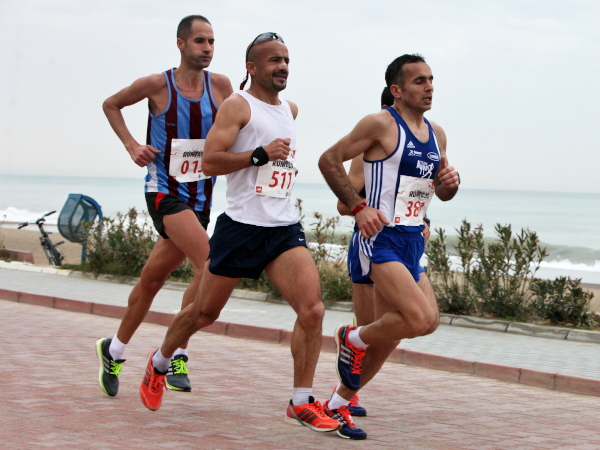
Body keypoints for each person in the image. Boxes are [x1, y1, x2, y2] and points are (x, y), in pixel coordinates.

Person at [137, 31, 353, 437]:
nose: (282, 67)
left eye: (286, 60)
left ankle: (301, 402)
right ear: (252, 67)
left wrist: (275, 163)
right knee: (203, 314)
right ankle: (160, 362)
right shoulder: (238, 105)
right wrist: (259, 155)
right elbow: (210, 161)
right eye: (274, 60)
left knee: (312, 311)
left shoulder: (289, 109)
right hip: (240, 228)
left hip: (282, 227)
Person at [95, 15, 233, 397]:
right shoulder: (157, 84)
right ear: (181, 44)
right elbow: (111, 104)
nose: (207, 48)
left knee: (153, 279)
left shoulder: (220, 86)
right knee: (209, 262)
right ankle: (176, 354)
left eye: (212, 41)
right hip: (163, 192)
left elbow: (243, 122)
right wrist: (131, 145)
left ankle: (114, 349)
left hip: (201, 198)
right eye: (200, 40)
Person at [318, 54, 460, 427]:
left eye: (431, 79)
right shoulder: (380, 124)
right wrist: (359, 207)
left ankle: (337, 402)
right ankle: (352, 340)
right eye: (419, 81)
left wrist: (449, 187)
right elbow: (329, 161)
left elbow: (436, 193)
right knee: (413, 318)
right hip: (378, 240)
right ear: (396, 90)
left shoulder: (437, 134)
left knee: (420, 325)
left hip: (412, 241)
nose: (429, 87)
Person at [331, 86, 434, 419]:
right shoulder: (368, 149)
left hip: (404, 246)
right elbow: (343, 204)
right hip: (372, 244)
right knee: (371, 331)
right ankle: (345, 398)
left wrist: (424, 221)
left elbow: (411, 198)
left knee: (394, 332)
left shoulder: (418, 150)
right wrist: (364, 208)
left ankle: (342, 398)